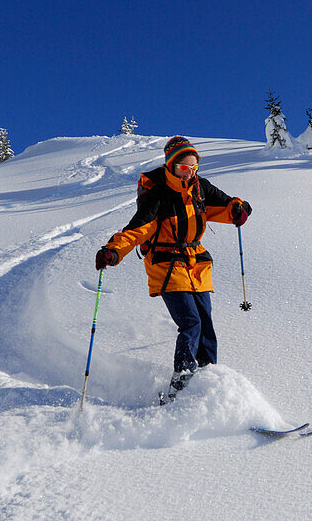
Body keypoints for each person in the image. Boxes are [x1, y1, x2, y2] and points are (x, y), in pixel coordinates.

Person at [95, 136, 252, 400]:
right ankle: (181, 383)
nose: (189, 173)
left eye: (193, 168)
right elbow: (138, 229)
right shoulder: (158, 195)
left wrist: (239, 209)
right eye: (182, 168)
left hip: (196, 263)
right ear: (170, 166)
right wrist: (113, 251)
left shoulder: (201, 188)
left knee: (205, 322)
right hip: (167, 265)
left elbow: (226, 206)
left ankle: (207, 378)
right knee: (190, 322)